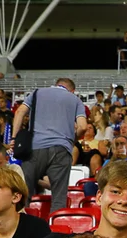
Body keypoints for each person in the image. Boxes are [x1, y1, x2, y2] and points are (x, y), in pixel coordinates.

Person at [14, 78, 87, 213]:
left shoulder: (37, 93)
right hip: (62, 149)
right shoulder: (75, 100)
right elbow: (82, 127)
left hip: (34, 148)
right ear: (72, 90)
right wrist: (71, 141)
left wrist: (14, 137)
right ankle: (55, 225)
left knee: (23, 196)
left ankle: (22, 224)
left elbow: (19, 112)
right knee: (59, 199)